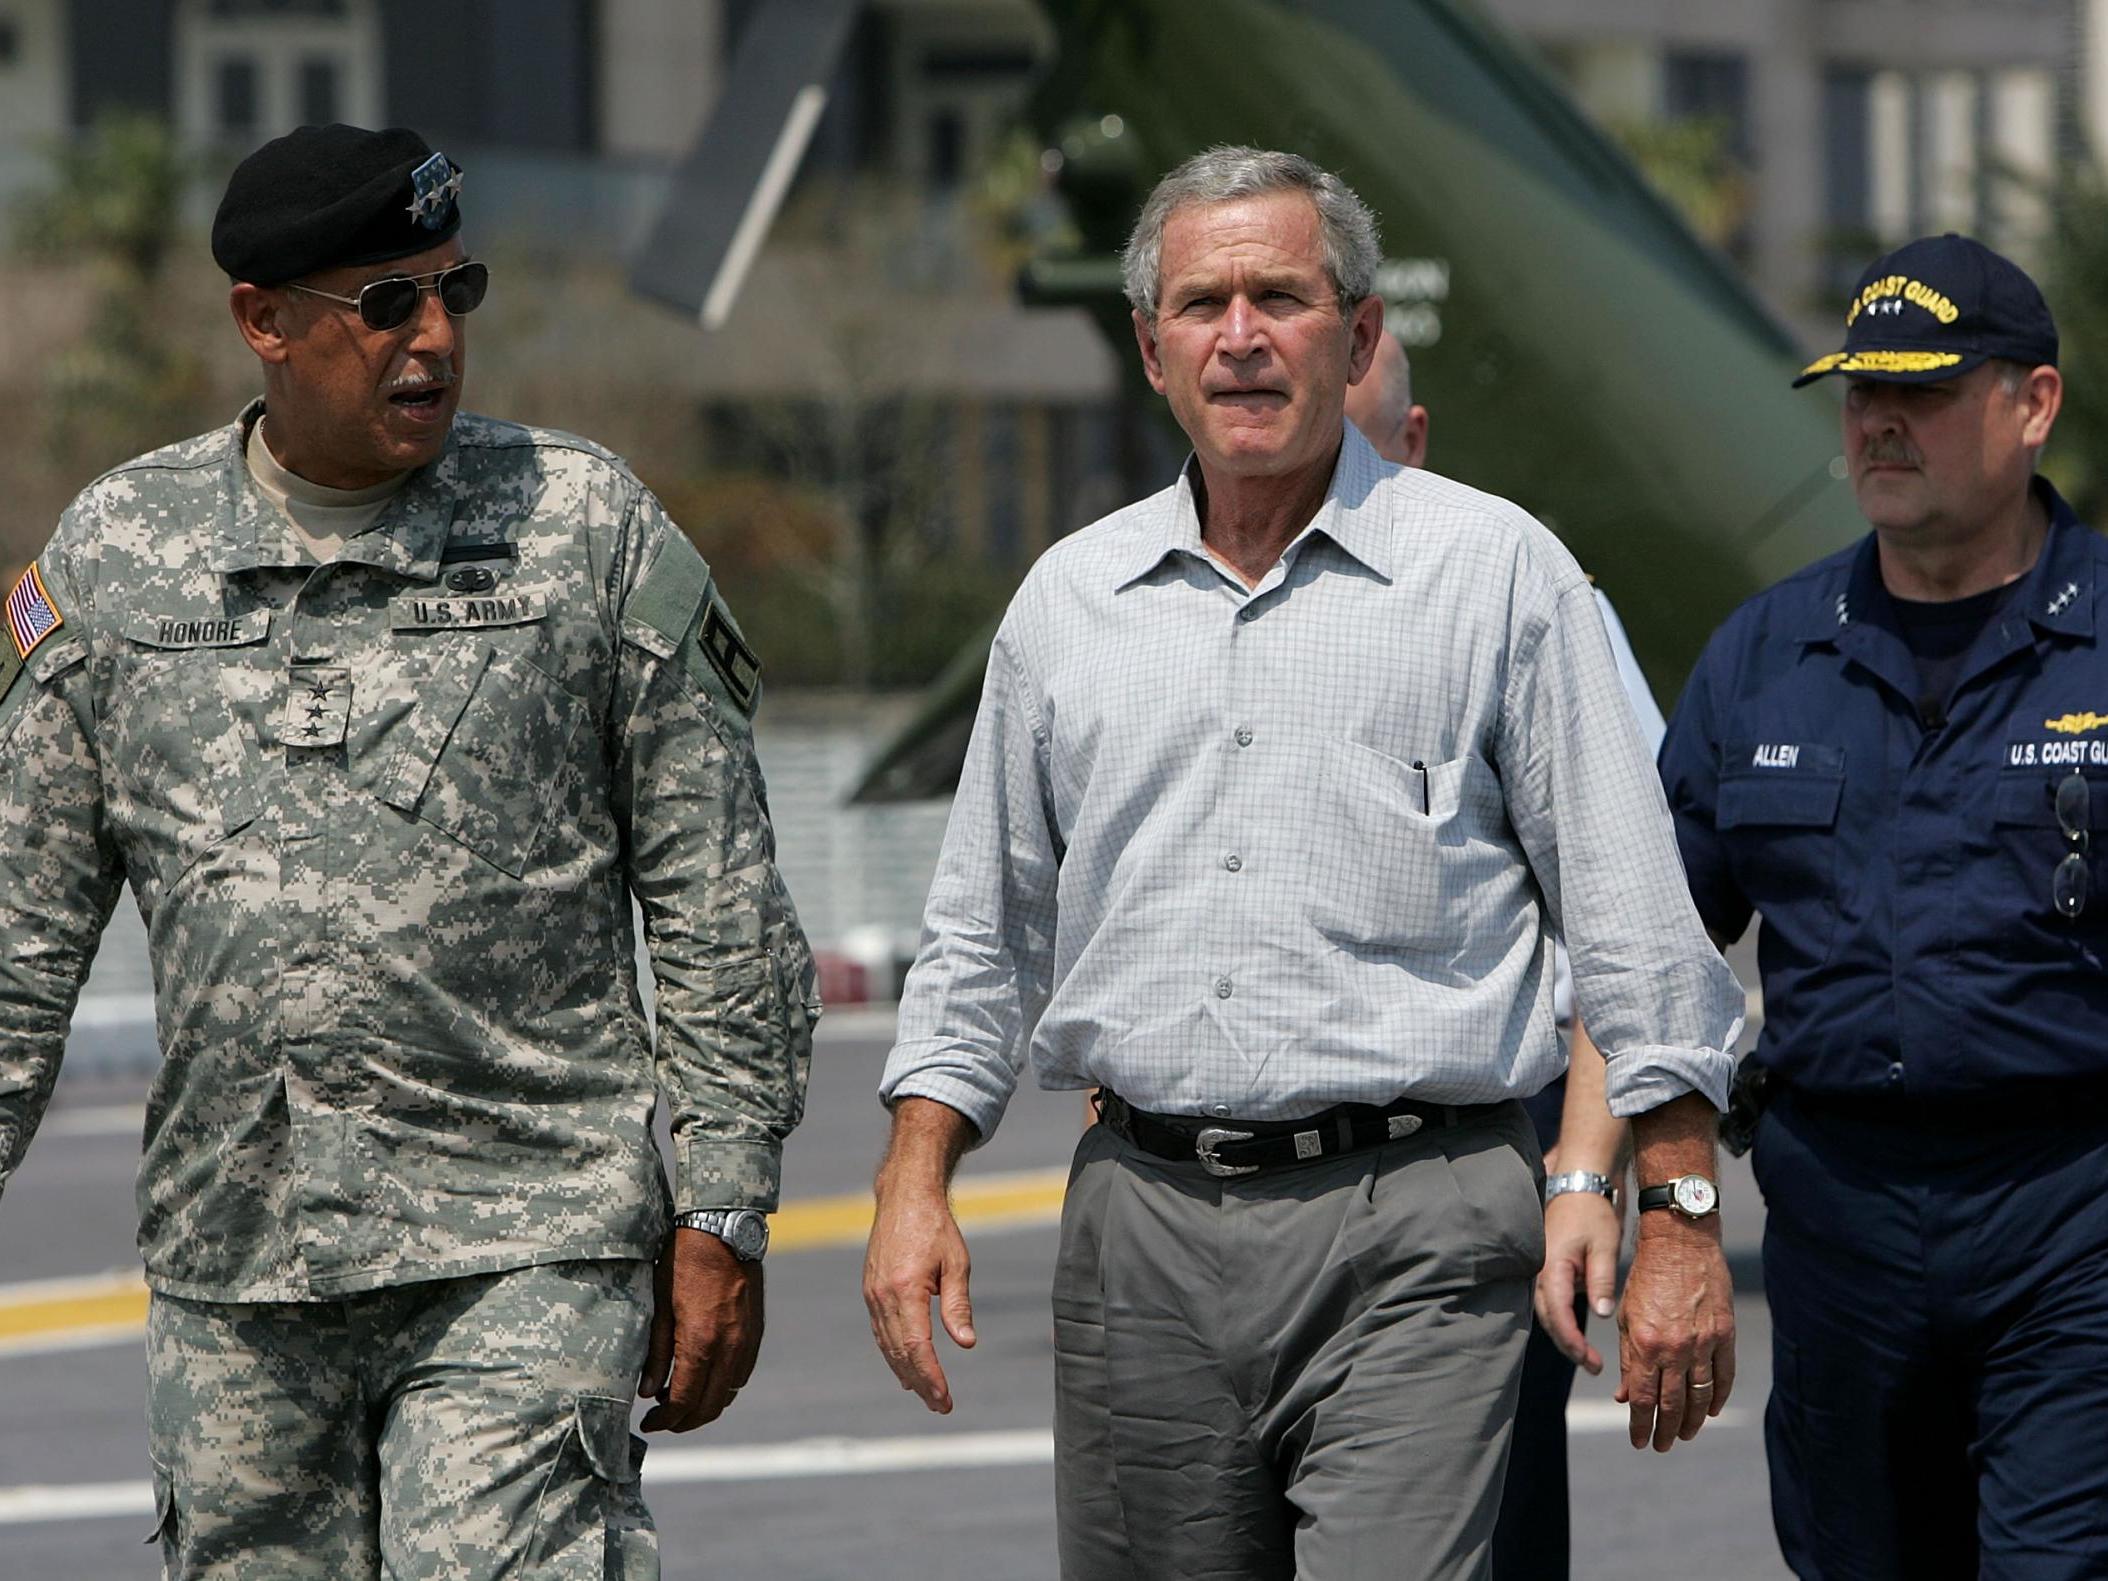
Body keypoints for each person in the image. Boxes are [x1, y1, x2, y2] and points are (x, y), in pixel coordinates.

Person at [861, 145, 1746, 1581]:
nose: (1244, 335)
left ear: (1361, 335)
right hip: (1139, 1227)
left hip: (1421, 1225)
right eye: (1204, 304)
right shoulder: (1066, 607)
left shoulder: (1498, 576)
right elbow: (982, 930)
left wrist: (1680, 1214)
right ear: (1150, 352)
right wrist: (914, 1182)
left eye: (1282, 295)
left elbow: (1638, 928)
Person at [0, 124, 818, 1580]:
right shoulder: (119, 559)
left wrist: (725, 1207)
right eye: (386, 303)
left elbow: (717, 897)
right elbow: (16, 937)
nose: (434, 336)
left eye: (455, 291)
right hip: (237, 1260)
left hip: (527, 1237)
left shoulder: (579, 526)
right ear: (263, 319)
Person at [1655, 232, 2108, 1577]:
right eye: (1862, 393)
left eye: (1922, 391)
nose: (1880, 423)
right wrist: (1655, 1206)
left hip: (2073, 1207)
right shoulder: (1764, 656)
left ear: (2033, 405)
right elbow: (1650, 949)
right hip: (1841, 1217)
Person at [1349, 329, 1666, 1580]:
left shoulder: (1531, 605)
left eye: (1356, 440)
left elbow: (1629, 928)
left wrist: (1590, 1176)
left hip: (1475, 1165)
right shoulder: (1138, 606)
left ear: (1413, 444)